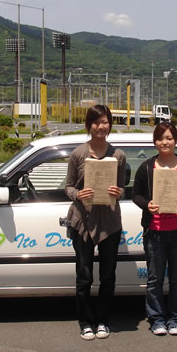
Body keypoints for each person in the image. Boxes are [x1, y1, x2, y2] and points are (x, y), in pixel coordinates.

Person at [132, 122, 177, 336]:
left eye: (170, 138)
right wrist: (147, 205)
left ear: (176, 140)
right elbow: (136, 194)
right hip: (154, 232)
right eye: (161, 138)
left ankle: (175, 319)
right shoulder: (146, 167)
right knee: (154, 279)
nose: (165, 142)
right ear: (155, 142)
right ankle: (156, 319)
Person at [65, 105, 126, 340]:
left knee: (108, 276)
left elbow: (121, 186)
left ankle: (103, 320)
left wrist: (118, 191)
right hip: (83, 220)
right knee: (84, 276)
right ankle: (85, 322)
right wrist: (77, 195)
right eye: (96, 122)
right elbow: (68, 186)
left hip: (109, 221)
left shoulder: (118, 155)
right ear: (89, 125)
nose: (101, 126)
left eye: (105, 121)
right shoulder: (78, 154)